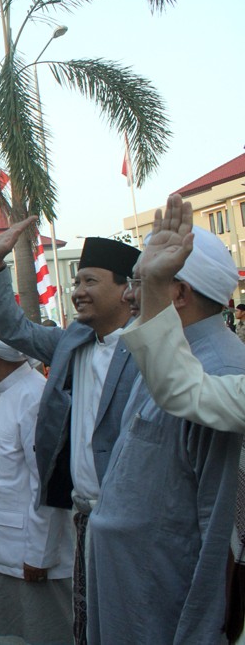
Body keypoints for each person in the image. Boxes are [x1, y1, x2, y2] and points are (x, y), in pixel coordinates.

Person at [86, 194, 245, 645]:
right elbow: (178, 387)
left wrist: (201, 630)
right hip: (135, 592)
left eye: (142, 282)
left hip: (162, 603)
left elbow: (219, 530)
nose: (130, 294)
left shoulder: (221, 368)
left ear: (180, 292)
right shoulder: (173, 360)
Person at [0, 221, 140, 645]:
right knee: (88, 627)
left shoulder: (149, 349)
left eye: (90, 281)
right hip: (83, 518)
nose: (78, 290)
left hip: (131, 523)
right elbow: (15, 330)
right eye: (77, 281)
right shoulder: (74, 342)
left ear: (127, 289)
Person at [0, 309, 74, 644]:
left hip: (27, 556)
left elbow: (47, 482)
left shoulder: (34, 397)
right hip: (2, 549)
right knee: (10, 636)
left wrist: (39, 555)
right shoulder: (6, 391)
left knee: (43, 636)